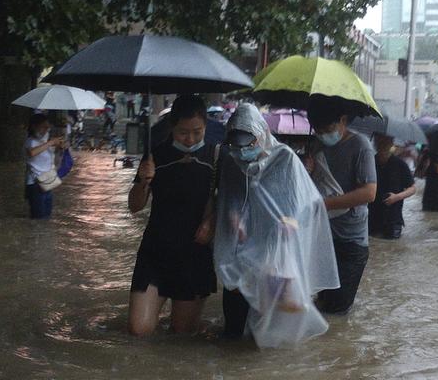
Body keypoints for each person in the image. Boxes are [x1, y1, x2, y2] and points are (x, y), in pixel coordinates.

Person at [212, 104, 339, 347]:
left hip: (273, 251)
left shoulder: (285, 159)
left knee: (272, 319)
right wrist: (234, 216)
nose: (241, 153)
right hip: (242, 249)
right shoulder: (231, 160)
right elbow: (231, 197)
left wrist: (290, 221)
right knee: (234, 327)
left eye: (247, 146)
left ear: (261, 135)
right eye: (235, 148)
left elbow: (303, 201)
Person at [126, 95, 219, 336]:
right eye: (182, 132)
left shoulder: (216, 157)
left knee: (182, 333)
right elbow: (134, 206)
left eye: (197, 132)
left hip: (194, 253)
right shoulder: (155, 155)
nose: (190, 139)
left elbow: (228, 202)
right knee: (140, 330)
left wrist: (211, 222)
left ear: (206, 127)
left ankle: (199, 324)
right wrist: (143, 183)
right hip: (155, 251)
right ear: (172, 128)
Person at [307, 103, 377, 315]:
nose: (323, 135)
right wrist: (307, 171)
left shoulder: (360, 146)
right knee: (321, 303)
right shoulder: (316, 145)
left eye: (328, 130)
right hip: (324, 237)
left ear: (343, 121)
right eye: (318, 130)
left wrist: (326, 204)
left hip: (351, 241)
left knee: (337, 310)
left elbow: (369, 193)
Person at [368, 133, 416, 239]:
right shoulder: (369, 162)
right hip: (372, 217)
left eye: (385, 141)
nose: (382, 144)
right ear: (375, 142)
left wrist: (396, 197)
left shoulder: (400, 164)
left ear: (391, 142)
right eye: (379, 140)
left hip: (393, 219)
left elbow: (412, 188)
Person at [24, 114, 64, 219]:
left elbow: (54, 160)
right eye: (43, 127)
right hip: (35, 183)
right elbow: (32, 153)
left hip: (47, 182)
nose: (46, 130)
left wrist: (60, 148)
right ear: (34, 126)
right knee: (38, 217)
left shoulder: (45, 142)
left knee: (47, 216)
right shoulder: (31, 141)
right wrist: (50, 143)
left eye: (48, 127)